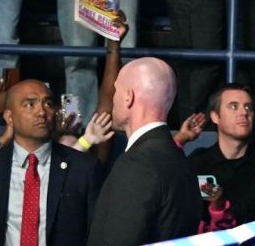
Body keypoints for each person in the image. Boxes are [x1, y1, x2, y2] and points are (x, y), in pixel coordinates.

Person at [87, 57, 202, 244]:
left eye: (116, 90)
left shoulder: (137, 164)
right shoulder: (182, 161)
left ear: (128, 97)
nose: (112, 97)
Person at [0, 79, 102, 246]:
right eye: (30, 104)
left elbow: (97, 232)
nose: (41, 112)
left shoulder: (84, 168)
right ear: (9, 117)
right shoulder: (0, 165)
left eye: (47, 104)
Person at [184, 84, 255, 231]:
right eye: (233, 106)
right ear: (215, 116)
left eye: (248, 107)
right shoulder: (198, 164)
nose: (243, 113)